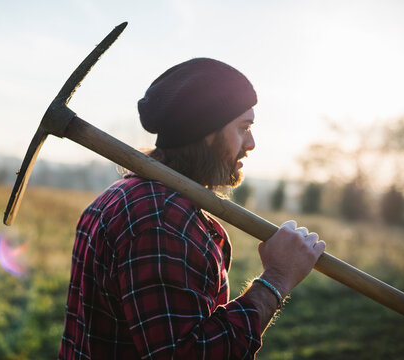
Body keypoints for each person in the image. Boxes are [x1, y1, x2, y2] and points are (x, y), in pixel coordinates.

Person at [58, 58, 325, 359]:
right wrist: (276, 279)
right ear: (205, 131)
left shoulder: (125, 193)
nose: (250, 143)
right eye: (243, 127)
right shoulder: (161, 221)